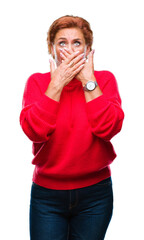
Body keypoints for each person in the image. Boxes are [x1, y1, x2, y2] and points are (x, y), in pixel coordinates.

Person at [20, 15, 124, 240]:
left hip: (96, 194)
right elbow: (34, 131)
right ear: (52, 48)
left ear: (88, 49)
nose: (70, 49)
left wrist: (88, 81)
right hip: (47, 196)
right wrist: (56, 84)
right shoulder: (37, 83)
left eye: (77, 43)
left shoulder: (104, 81)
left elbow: (108, 129)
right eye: (62, 43)